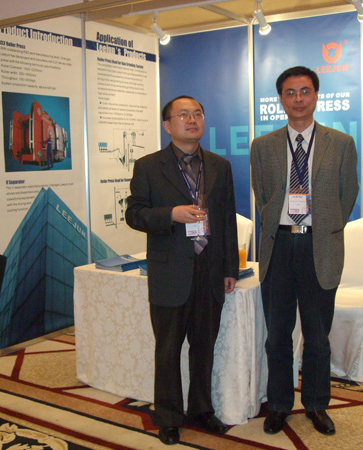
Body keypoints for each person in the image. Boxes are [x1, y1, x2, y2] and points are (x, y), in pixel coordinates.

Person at [250, 66, 359, 436]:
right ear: (281, 99)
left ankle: (316, 405)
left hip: (319, 246)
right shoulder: (263, 146)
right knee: (277, 336)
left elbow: (348, 194)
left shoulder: (340, 143)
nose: (298, 99)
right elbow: (263, 195)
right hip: (278, 246)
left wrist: (324, 227)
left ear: (316, 95)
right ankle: (280, 404)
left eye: (305, 91)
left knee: (317, 336)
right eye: (290, 92)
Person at [125, 95, 239, 445]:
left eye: (198, 114)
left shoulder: (219, 165)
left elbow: (227, 220)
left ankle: (202, 410)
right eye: (183, 115)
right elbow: (134, 214)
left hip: (210, 270)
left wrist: (230, 267)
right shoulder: (148, 166)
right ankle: (169, 417)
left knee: (204, 347)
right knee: (168, 349)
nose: (192, 120)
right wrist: (171, 215)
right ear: (167, 125)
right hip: (170, 271)